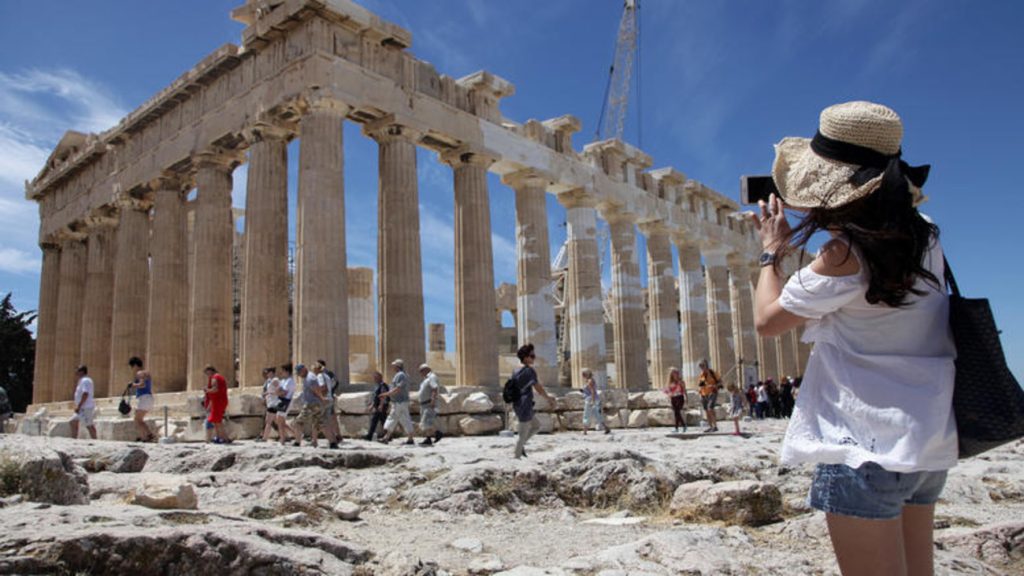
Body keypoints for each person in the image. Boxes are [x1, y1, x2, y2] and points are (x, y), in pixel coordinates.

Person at [751, 101, 955, 575]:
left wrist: (770, 255)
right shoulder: (926, 234)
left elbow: (767, 322)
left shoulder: (843, 254)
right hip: (926, 440)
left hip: (864, 448)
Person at [511, 343, 554, 459]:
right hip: (525, 404)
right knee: (523, 432)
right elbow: (538, 387)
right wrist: (548, 398)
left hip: (518, 403)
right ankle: (516, 455)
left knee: (536, 425)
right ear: (525, 357)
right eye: (532, 356)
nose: (534, 358)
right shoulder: (529, 371)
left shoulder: (515, 371)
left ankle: (521, 446)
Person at [293, 363, 336, 448]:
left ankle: (297, 442)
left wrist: (322, 399)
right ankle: (333, 443)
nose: (298, 375)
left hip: (311, 404)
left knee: (298, 422)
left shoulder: (310, 378)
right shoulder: (309, 377)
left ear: (303, 370)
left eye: (298, 373)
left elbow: (316, 390)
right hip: (316, 404)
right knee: (321, 424)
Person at [379, 359, 415, 445]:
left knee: (393, 417)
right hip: (401, 401)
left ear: (397, 366)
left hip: (399, 402)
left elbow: (398, 388)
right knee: (404, 419)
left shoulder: (400, 375)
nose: (392, 367)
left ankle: (386, 438)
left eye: (394, 366)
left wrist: (386, 394)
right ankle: (410, 438)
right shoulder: (401, 375)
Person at [315, 360, 342, 446]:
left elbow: (323, 387)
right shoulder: (328, 374)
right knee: (331, 418)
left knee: (322, 420)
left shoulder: (321, 375)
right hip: (330, 397)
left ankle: (330, 439)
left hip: (325, 399)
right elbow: (335, 383)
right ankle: (337, 436)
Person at [128, 356, 155, 442]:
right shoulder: (147, 373)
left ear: (135, 365)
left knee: (137, 420)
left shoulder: (139, 373)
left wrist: (133, 385)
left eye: (132, 366)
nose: (132, 369)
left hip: (144, 398)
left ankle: (147, 436)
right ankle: (147, 435)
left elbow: (142, 384)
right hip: (149, 398)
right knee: (139, 419)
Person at [417, 363, 443, 446]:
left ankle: (438, 433)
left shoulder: (431, 377)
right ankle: (428, 438)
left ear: (426, 370)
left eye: (421, 371)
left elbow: (434, 388)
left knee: (426, 421)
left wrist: (433, 400)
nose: (420, 373)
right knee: (426, 421)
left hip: (429, 403)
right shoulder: (427, 378)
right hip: (424, 404)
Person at [204, 365, 231, 444]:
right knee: (217, 421)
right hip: (218, 401)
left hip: (218, 402)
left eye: (207, 373)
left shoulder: (215, 378)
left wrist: (207, 390)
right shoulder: (218, 377)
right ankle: (222, 438)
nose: (207, 375)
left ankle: (208, 440)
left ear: (210, 371)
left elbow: (215, 389)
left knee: (212, 420)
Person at [69, 365, 97, 440]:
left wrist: (79, 406)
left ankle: (95, 440)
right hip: (82, 407)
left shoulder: (85, 381)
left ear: (82, 372)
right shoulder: (82, 381)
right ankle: (74, 439)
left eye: (77, 371)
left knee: (89, 425)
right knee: (72, 421)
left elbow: (85, 393)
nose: (76, 373)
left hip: (86, 407)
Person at [272, 363, 296, 445]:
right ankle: (296, 434)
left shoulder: (290, 381)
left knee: (279, 420)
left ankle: (282, 439)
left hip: (286, 401)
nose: (281, 373)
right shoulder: (284, 381)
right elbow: (277, 390)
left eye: (282, 371)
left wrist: (278, 392)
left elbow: (283, 392)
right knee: (279, 420)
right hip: (281, 401)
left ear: (287, 371)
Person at [581, 368, 609, 435]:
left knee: (586, 414)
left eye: (583, 374)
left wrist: (592, 402)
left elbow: (593, 391)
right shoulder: (590, 380)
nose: (582, 375)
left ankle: (584, 431)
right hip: (594, 399)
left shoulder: (590, 381)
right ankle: (606, 428)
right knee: (597, 415)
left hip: (591, 399)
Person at [365, 371, 389, 441]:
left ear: (380, 378)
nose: (374, 379)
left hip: (381, 407)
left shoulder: (383, 386)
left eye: (375, 378)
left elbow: (383, 396)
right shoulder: (378, 386)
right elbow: (376, 397)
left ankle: (370, 436)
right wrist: (372, 406)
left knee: (381, 421)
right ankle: (370, 435)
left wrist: (381, 405)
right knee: (378, 421)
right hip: (378, 406)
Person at [697, 360, 721, 433]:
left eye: (702, 366)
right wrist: (700, 393)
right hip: (703, 394)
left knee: (710, 408)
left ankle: (715, 426)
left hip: (712, 392)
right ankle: (710, 427)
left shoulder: (713, 373)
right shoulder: (701, 375)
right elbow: (700, 385)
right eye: (700, 366)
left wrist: (714, 385)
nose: (702, 368)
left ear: (706, 365)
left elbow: (720, 382)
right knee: (707, 411)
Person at [259, 367, 281, 442]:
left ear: (271, 372)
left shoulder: (275, 380)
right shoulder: (269, 381)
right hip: (270, 402)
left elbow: (279, 391)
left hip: (274, 403)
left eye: (268, 372)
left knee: (268, 421)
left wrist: (268, 393)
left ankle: (264, 438)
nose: (266, 374)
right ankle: (291, 434)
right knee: (278, 422)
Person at [663, 367, 687, 433]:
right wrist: (669, 394)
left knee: (677, 412)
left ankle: (683, 426)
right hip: (673, 398)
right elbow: (667, 390)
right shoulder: (670, 382)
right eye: (674, 373)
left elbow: (684, 390)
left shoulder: (681, 381)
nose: (676, 374)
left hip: (680, 397)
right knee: (676, 413)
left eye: (676, 373)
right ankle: (677, 428)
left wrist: (686, 398)